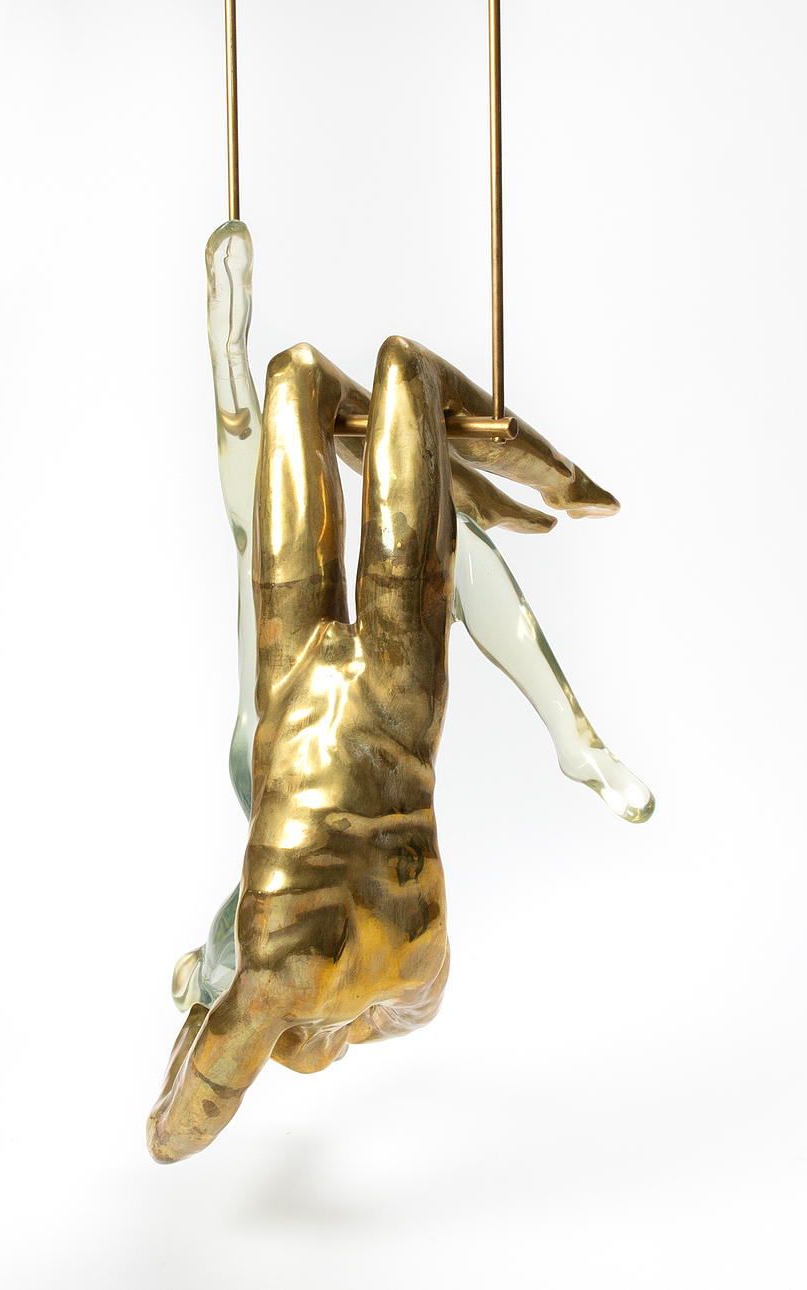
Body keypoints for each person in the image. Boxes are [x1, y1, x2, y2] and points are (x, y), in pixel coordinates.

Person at [169, 220, 653, 1014]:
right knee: (410, 406)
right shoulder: (342, 939)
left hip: (294, 669)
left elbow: (247, 525)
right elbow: (402, 997)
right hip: (386, 707)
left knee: (298, 382)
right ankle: (533, 489)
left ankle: (489, 485)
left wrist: (227, 356)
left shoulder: (251, 783)